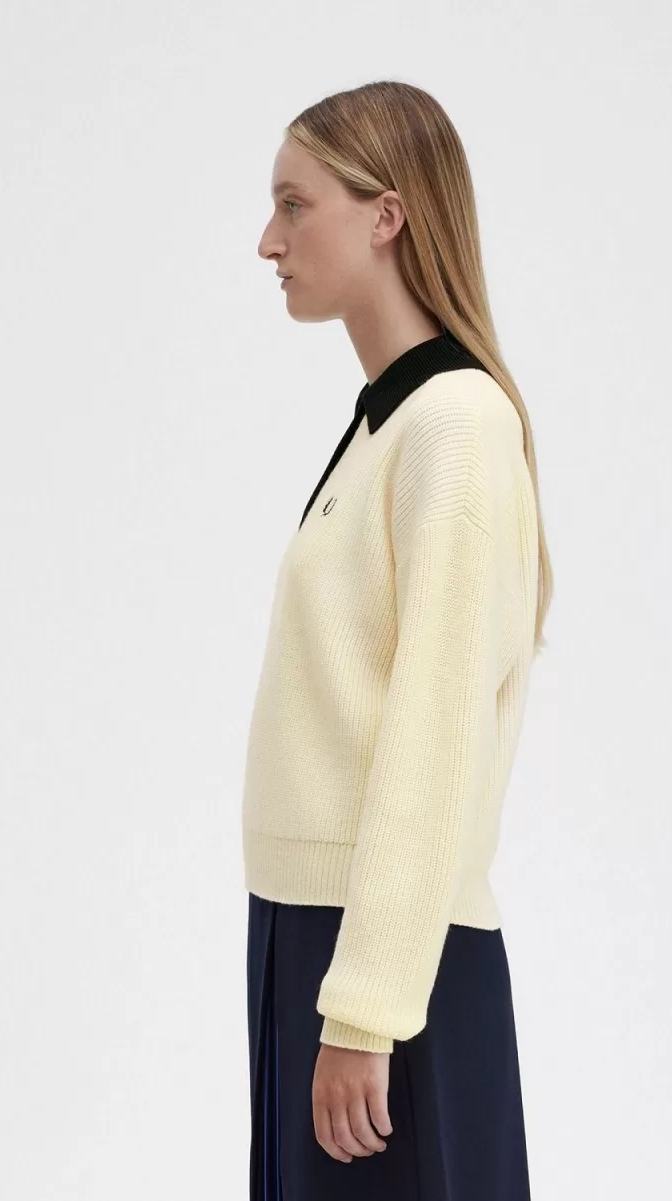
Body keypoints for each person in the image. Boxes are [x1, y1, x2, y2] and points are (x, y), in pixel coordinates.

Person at [243, 79, 553, 1201]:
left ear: (386, 215)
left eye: (294, 204)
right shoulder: (388, 422)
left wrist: (365, 1009)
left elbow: (434, 735)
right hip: (315, 938)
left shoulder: (454, 426)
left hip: (383, 959)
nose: (268, 240)